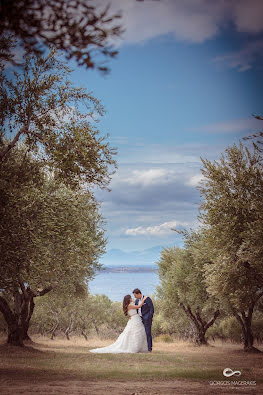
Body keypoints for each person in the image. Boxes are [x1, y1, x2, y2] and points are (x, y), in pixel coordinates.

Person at [133, 288, 154, 352]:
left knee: (148, 333)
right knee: (140, 334)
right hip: (139, 320)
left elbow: (152, 309)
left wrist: (149, 317)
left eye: (135, 295)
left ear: (139, 294)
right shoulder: (136, 301)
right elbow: (137, 309)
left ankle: (149, 349)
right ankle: (141, 348)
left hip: (147, 319)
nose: (135, 297)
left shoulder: (147, 299)